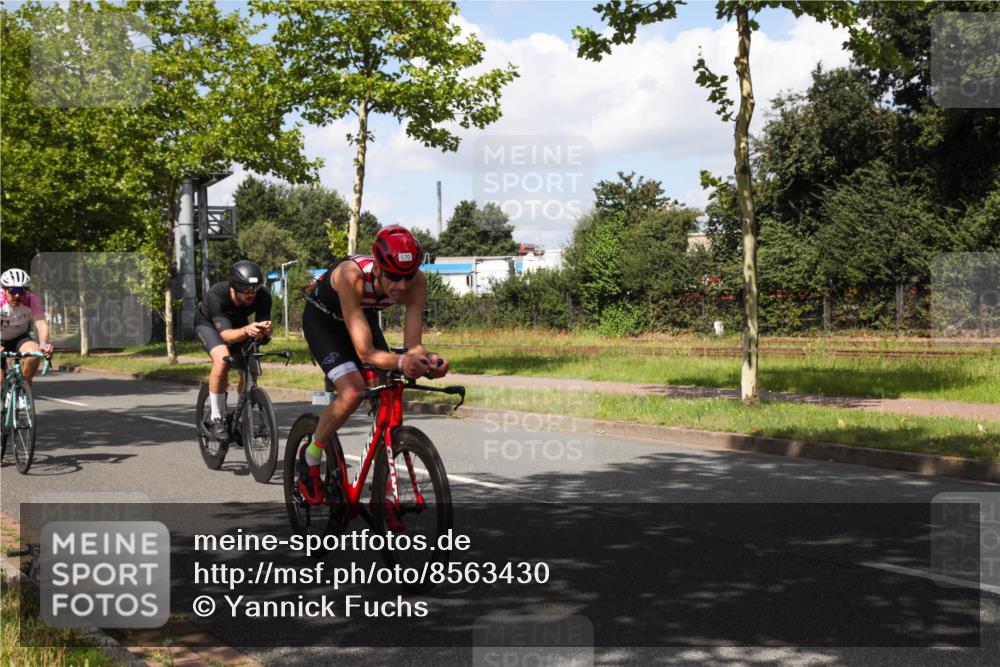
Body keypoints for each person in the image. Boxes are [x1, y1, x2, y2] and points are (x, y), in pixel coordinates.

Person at [298, 225, 449, 504]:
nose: (402, 286)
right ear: (378, 268)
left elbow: (412, 347)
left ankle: (383, 461)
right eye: (393, 276)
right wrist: (403, 361)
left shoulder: (416, 283)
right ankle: (310, 458)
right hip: (324, 322)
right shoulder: (351, 275)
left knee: (389, 384)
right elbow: (365, 352)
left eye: (407, 276)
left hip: (361, 317)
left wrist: (427, 362)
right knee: (353, 391)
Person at [195, 260, 273, 440]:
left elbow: (262, 331)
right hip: (208, 324)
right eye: (246, 289)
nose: (251, 294)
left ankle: (241, 416)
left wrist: (264, 331)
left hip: (237, 324)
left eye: (255, 288)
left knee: (250, 367)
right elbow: (226, 336)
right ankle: (217, 418)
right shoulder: (217, 294)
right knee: (223, 359)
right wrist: (247, 330)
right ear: (234, 287)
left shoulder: (263, 296)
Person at [0, 268, 54, 385]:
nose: (17, 295)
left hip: (20, 337)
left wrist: (44, 344)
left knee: (34, 353)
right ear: (4, 290)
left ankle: (23, 387)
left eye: (21, 291)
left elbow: (40, 322)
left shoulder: (32, 299)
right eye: (13, 291)